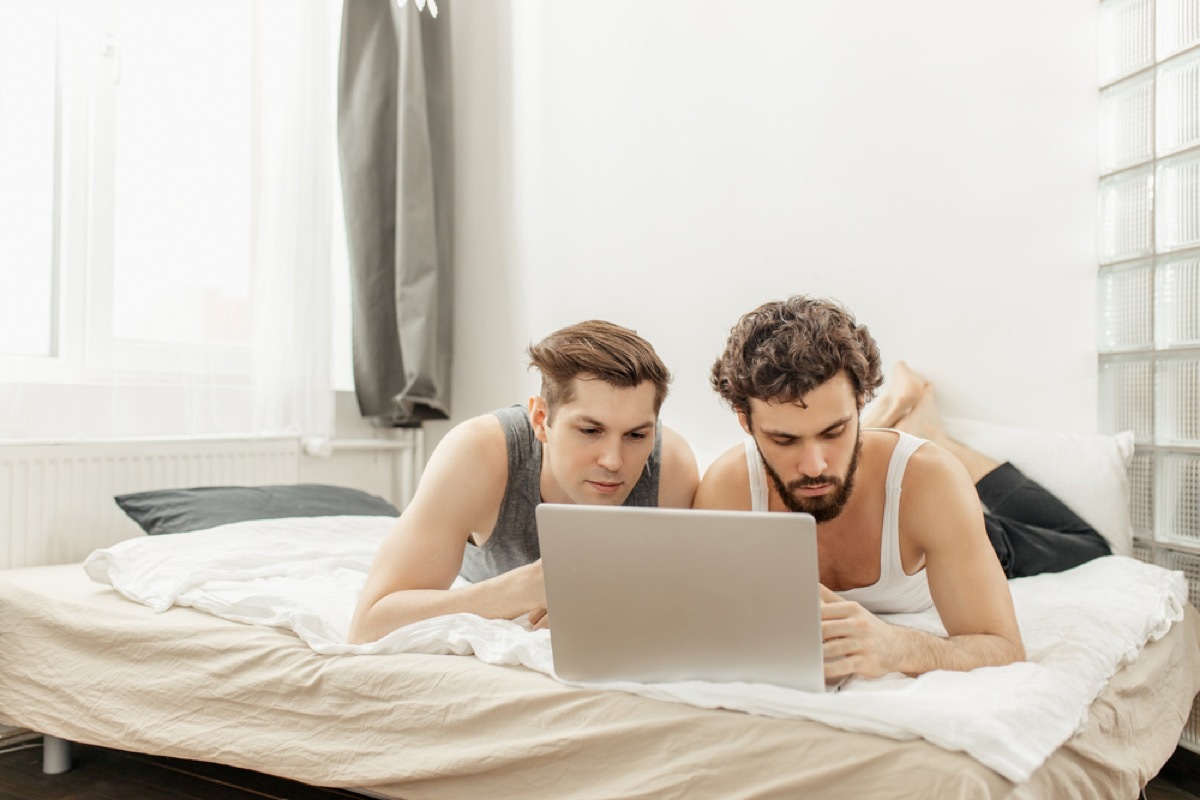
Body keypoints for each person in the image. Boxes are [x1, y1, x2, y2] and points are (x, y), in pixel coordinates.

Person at [695, 295, 1026, 682]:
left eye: (834, 431)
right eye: (784, 440)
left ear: (863, 401)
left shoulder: (931, 482)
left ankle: (932, 430)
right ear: (745, 422)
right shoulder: (728, 490)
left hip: (995, 541)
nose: (814, 466)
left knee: (1084, 542)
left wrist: (898, 646)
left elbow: (1005, 649)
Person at [348, 320, 700, 644]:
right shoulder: (479, 452)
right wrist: (523, 589)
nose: (613, 461)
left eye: (636, 435)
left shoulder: (670, 467)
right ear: (540, 418)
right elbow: (368, 625)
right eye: (590, 431)